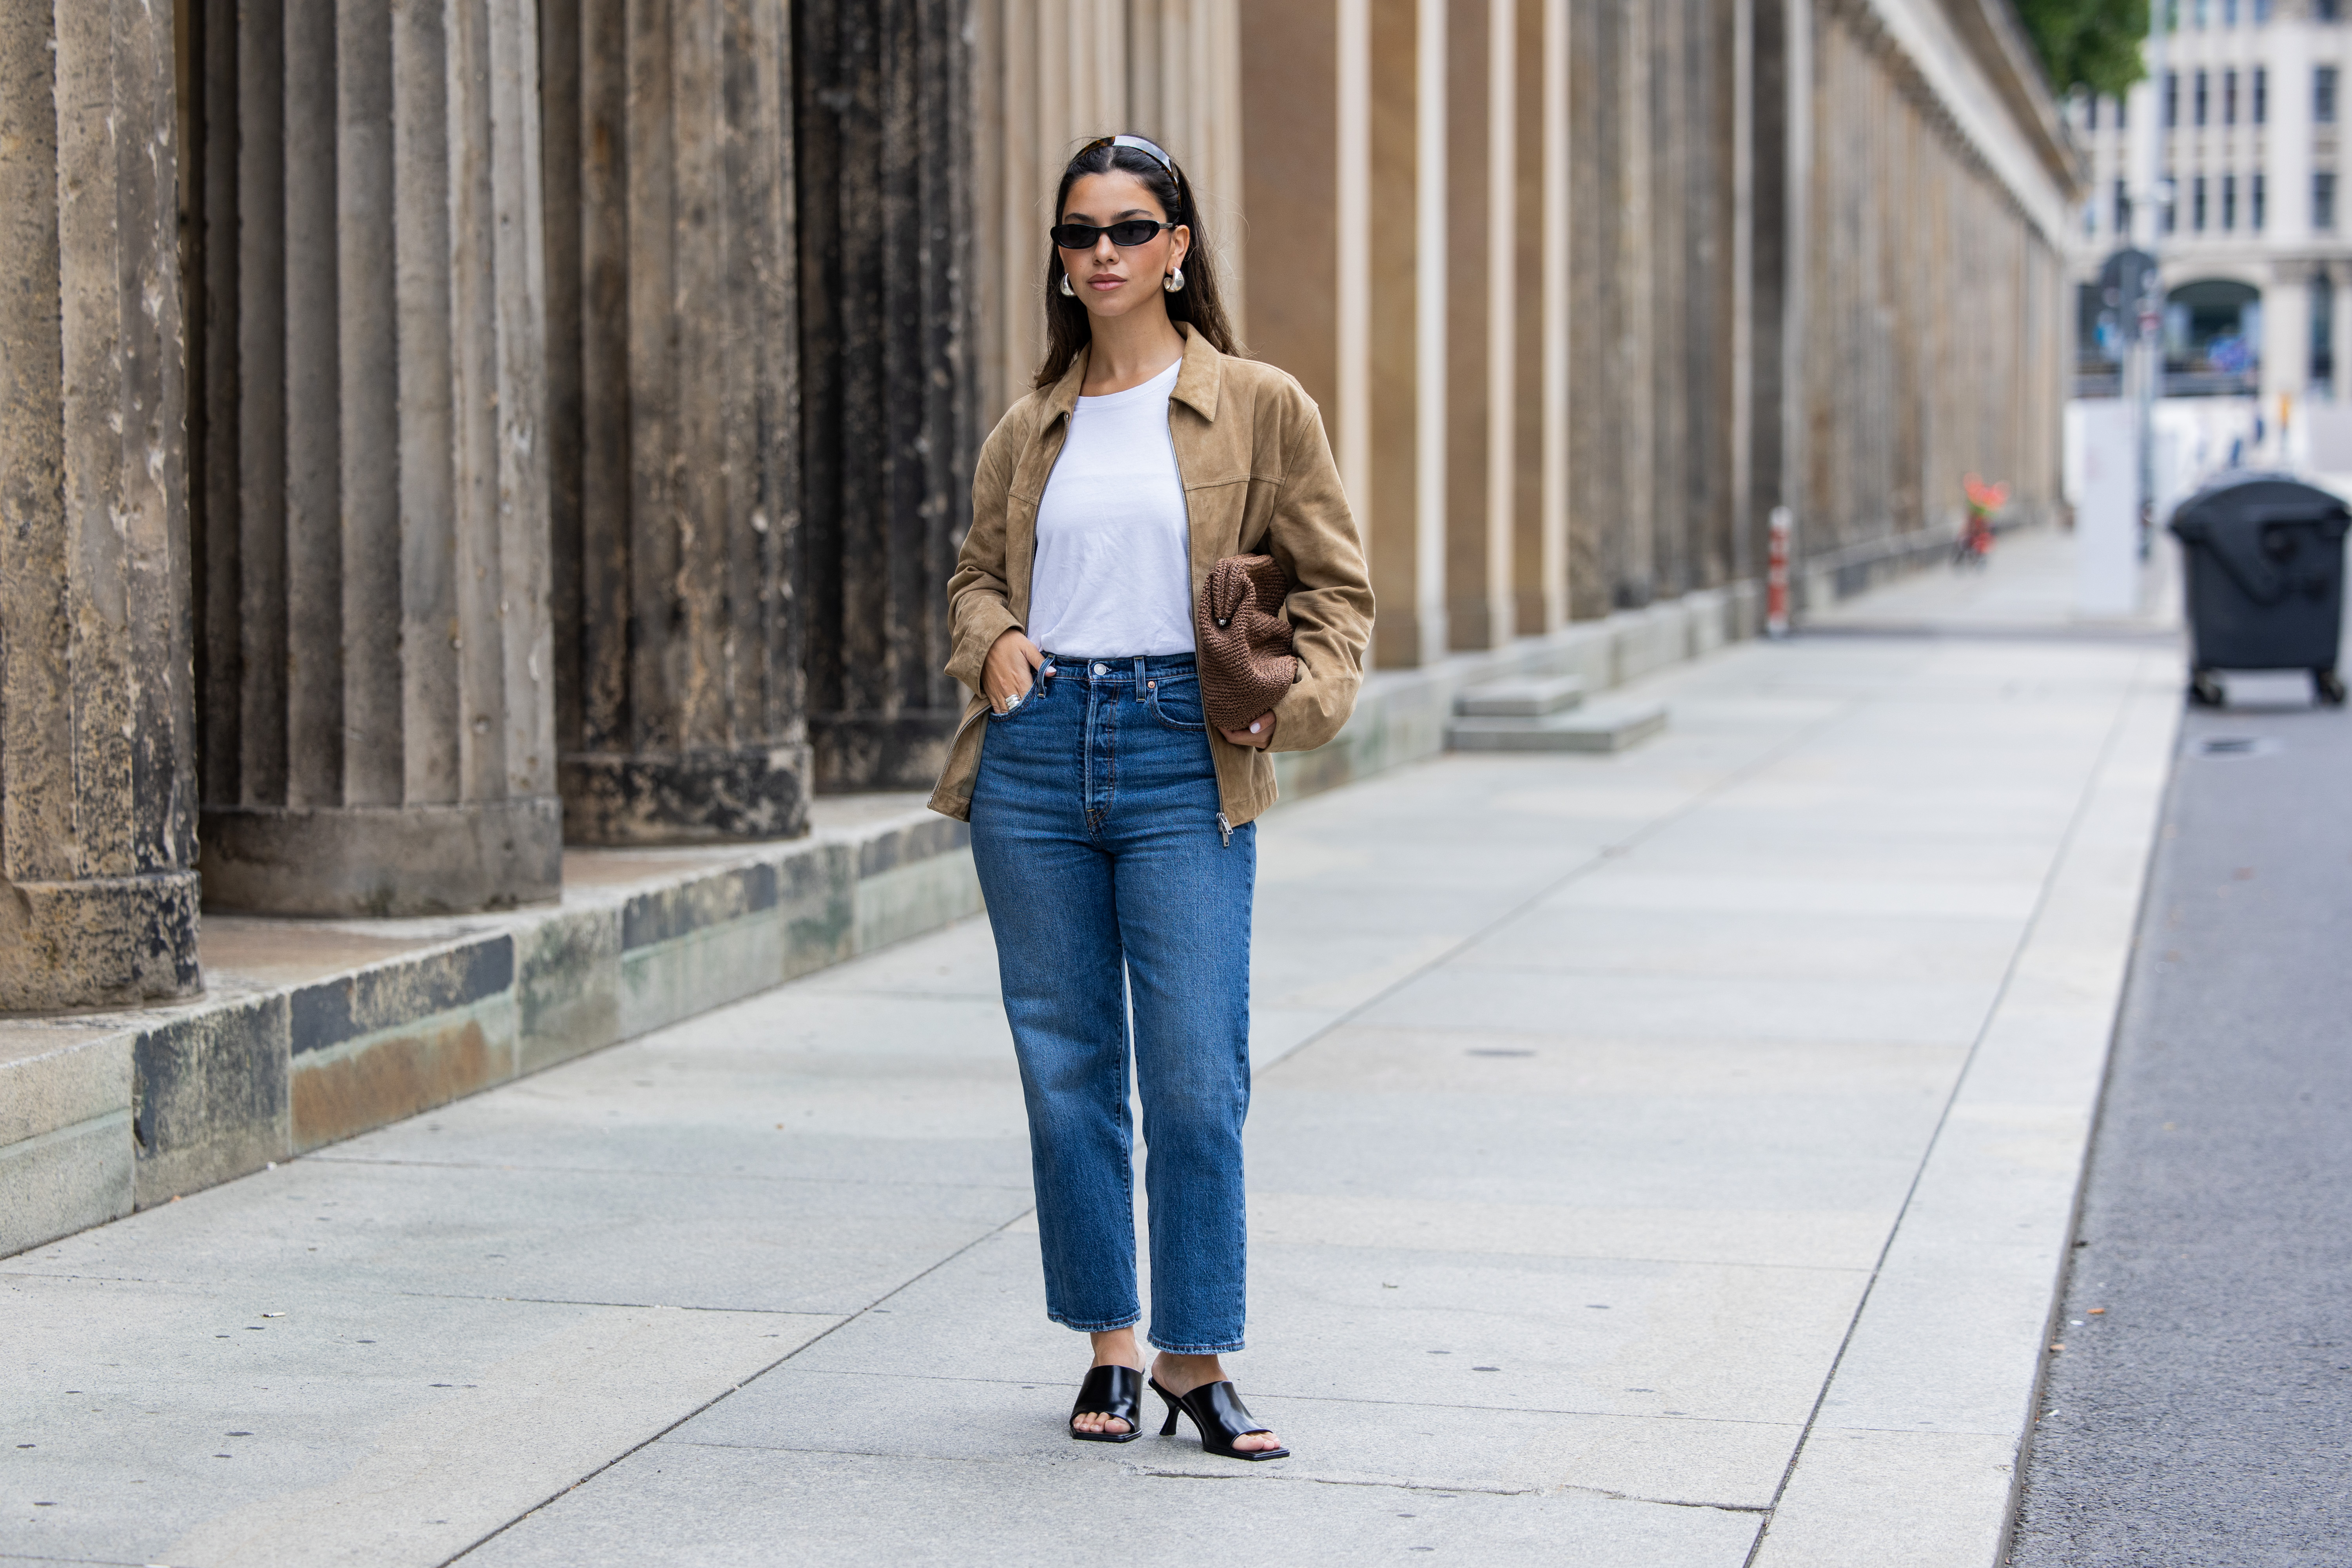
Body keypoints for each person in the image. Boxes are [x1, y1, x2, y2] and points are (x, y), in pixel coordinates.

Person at [927, 134, 1373, 1461]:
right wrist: (994, 642)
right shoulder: (1032, 426)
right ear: (1061, 259)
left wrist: (1288, 709)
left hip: (1187, 748)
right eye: (1081, 233)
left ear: (1177, 246)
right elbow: (975, 577)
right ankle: (1112, 1344)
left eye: (1130, 228)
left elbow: (1338, 590)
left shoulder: (1262, 406)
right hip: (1037, 753)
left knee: (1193, 1074)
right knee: (1068, 1069)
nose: (1104, 253)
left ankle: (1196, 1354)